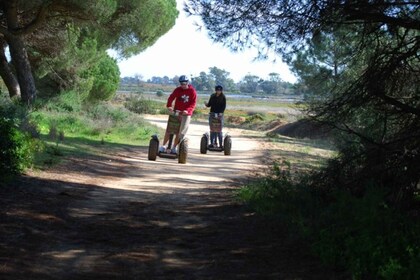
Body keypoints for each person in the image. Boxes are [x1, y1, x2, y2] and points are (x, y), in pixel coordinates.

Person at [160, 75, 197, 153]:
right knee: (170, 129)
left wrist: (187, 110)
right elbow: (171, 97)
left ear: (187, 82)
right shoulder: (178, 90)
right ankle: (163, 146)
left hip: (186, 114)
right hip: (176, 112)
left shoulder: (192, 91)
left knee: (180, 131)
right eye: (181, 83)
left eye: (184, 83)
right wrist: (169, 106)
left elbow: (193, 103)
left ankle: (174, 147)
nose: (183, 85)